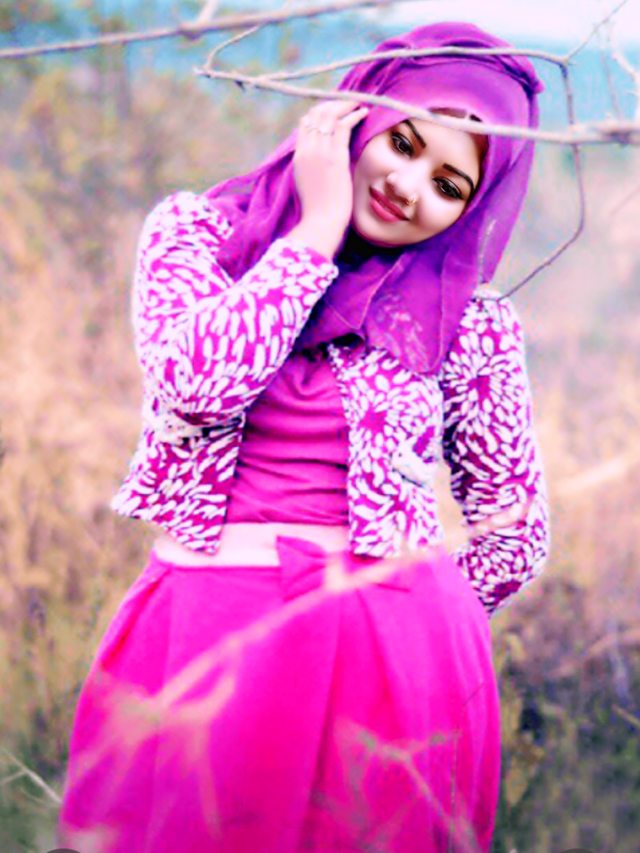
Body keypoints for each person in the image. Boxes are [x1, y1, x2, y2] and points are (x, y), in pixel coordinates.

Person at [59, 21, 549, 853]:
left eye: (449, 184)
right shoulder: (200, 237)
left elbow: (515, 533)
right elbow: (196, 385)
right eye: (403, 142)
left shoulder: (468, 322)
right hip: (208, 626)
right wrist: (316, 232)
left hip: (391, 661)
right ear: (356, 115)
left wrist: (406, 623)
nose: (409, 187)